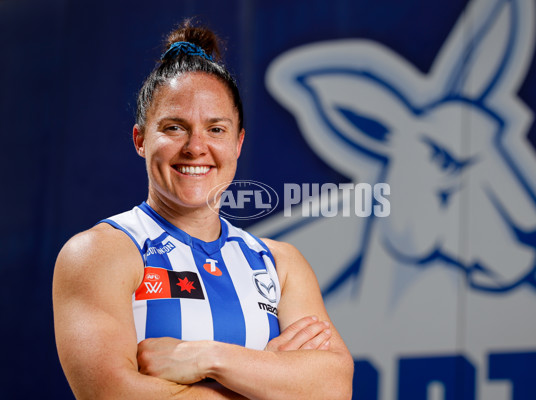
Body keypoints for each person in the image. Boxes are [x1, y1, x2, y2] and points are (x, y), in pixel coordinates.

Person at [52, 20, 354, 400]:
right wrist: (266, 374)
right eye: (175, 128)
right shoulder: (99, 253)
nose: (196, 147)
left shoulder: (281, 263)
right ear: (141, 139)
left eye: (216, 129)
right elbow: (112, 395)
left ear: (239, 142)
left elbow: (334, 387)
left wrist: (207, 359)